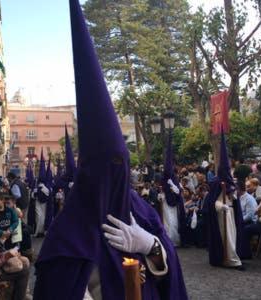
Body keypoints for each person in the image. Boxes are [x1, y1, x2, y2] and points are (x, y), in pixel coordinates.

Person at [34, 2, 187, 298]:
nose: (116, 173)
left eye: (122, 164)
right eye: (109, 165)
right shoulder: (68, 230)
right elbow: (58, 285)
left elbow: (168, 268)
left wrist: (151, 246)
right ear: (90, 172)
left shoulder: (141, 211)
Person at [204, 131, 245, 270]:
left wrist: (233, 196)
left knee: (233, 236)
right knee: (226, 237)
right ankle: (231, 259)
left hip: (231, 213)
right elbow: (212, 202)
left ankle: (234, 257)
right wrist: (221, 206)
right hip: (222, 215)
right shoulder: (216, 183)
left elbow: (234, 198)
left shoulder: (231, 183)